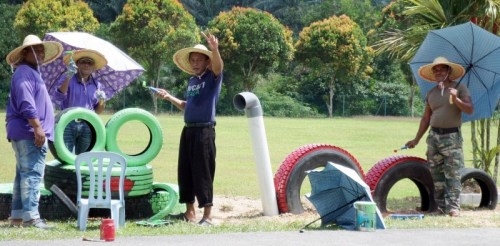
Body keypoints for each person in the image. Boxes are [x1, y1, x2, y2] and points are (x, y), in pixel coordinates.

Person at [157, 31, 223, 226]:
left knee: (203, 172)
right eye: (192, 60)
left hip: (204, 131)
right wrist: (168, 97)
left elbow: (219, 66)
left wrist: (215, 49)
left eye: (199, 60)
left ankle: (208, 216)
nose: (195, 63)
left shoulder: (212, 78)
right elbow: (188, 105)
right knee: (185, 170)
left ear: (206, 62)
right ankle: (189, 213)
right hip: (188, 130)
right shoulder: (192, 81)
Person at [5, 34, 63, 229]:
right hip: (30, 132)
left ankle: (18, 216)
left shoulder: (30, 72)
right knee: (32, 174)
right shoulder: (24, 73)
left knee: (23, 174)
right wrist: (38, 127)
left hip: (26, 131)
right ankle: (31, 217)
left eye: (41, 49)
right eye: (34, 49)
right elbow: (26, 102)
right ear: (24, 53)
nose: (39, 52)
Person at [405, 56, 473, 217]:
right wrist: (416, 139)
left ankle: (453, 207)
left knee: (453, 174)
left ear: (449, 71)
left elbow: (469, 109)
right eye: (435, 70)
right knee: (436, 174)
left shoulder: (460, 88)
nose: (438, 72)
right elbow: (426, 118)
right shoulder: (431, 93)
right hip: (434, 137)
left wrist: (456, 98)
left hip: (452, 138)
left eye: (442, 69)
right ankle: (441, 207)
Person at [53, 49, 107, 155]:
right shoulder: (67, 77)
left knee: (84, 158)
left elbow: (98, 111)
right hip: (67, 123)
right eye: (83, 62)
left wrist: (102, 100)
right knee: (66, 156)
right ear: (77, 64)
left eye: (90, 63)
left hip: (88, 124)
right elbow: (58, 97)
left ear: (93, 67)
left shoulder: (98, 85)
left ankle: (80, 173)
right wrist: (69, 76)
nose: (86, 65)